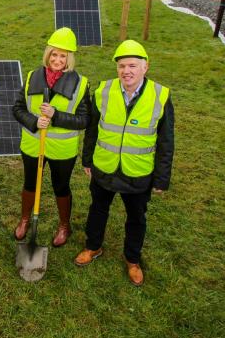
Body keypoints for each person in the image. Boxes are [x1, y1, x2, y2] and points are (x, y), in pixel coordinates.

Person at [74, 40, 174, 286]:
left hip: (138, 172)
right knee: (98, 209)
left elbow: (166, 140)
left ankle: (132, 259)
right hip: (105, 167)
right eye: (121, 66)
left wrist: (162, 177)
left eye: (132, 65)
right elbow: (92, 129)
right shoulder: (104, 91)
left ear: (145, 67)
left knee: (136, 217)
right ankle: (93, 247)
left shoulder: (160, 96)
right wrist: (87, 159)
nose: (126, 71)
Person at [12, 27, 90, 247]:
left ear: (69, 58)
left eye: (62, 56)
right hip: (32, 144)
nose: (57, 60)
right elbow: (17, 109)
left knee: (61, 186)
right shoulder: (32, 77)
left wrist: (56, 116)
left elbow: (84, 120)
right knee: (30, 183)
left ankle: (64, 225)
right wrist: (34, 121)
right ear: (48, 54)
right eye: (54, 54)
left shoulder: (80, 84)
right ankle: (25, 219)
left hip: (62, 150)